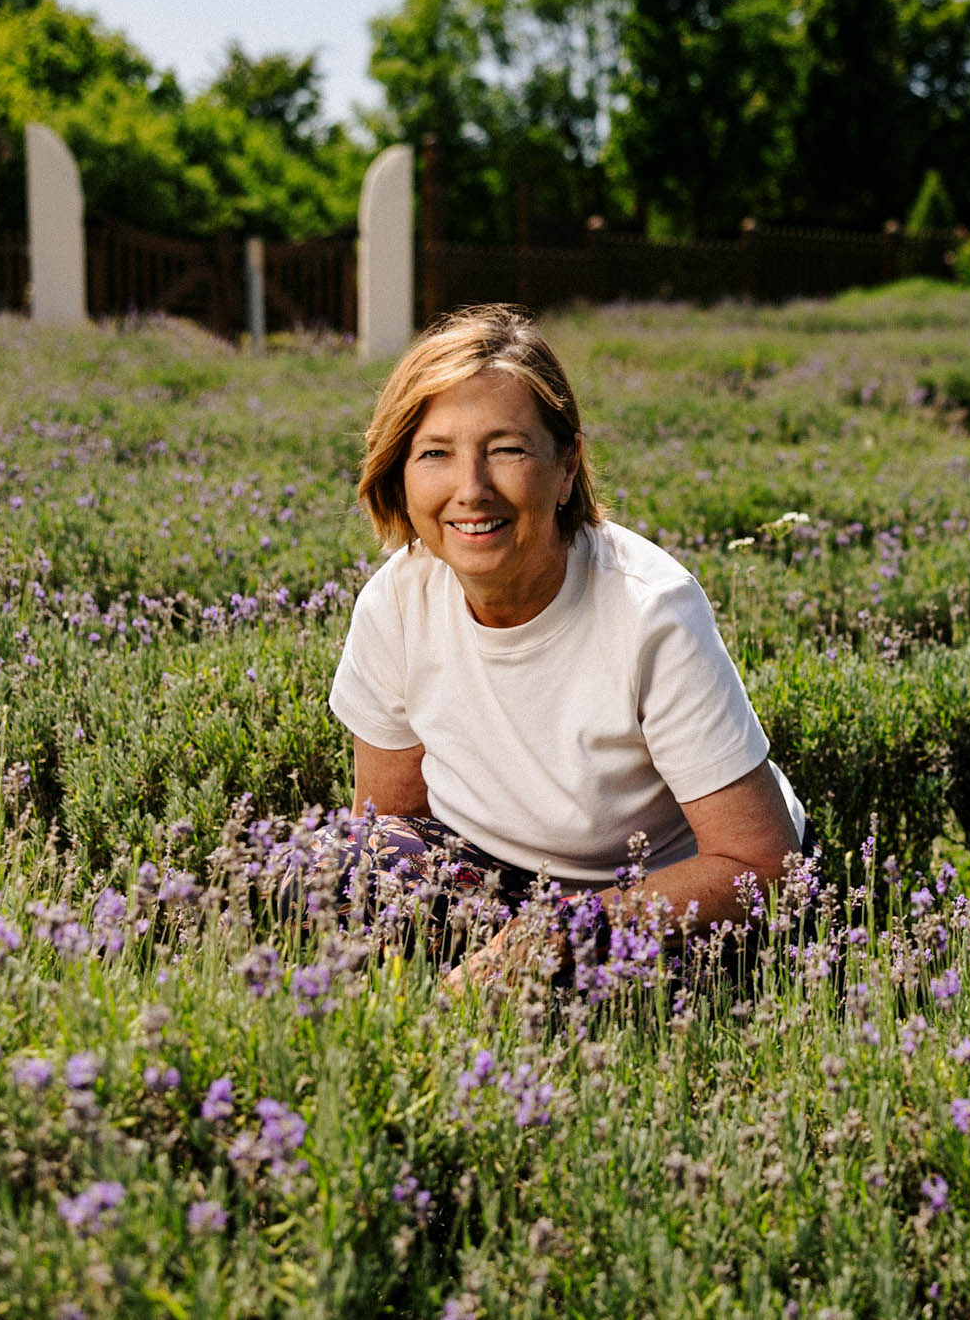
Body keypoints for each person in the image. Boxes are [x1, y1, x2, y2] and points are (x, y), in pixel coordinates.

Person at [327, 304, 808, 990]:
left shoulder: (649, 611)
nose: (472, 489)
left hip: (655, 899)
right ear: (399, 472)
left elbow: (764, 868)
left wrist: (559, 932)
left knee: (600, 1000)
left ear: (565, 465)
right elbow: (392, 824)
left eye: (507, 450)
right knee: (330, 870)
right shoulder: (396, 601)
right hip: (498, 881)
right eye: (436, 452)